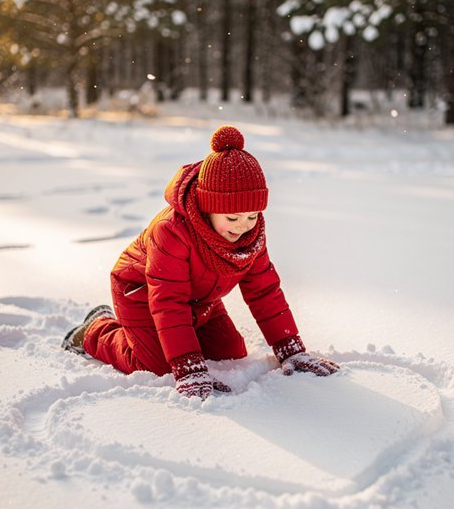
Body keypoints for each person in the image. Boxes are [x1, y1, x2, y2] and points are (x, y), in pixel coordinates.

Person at [62, 125, 339, 399]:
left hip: (199, 297)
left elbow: (264, 290)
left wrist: (290, 347)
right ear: (208, 207)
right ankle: (95, 330)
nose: (243, 226)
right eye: (232, 218)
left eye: (252, 215)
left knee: (230, 351)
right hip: (142, 293)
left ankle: (184, 336)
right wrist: (187, 366)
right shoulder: (171, 231)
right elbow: (168, 301)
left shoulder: (250, 235)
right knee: (159, 366)